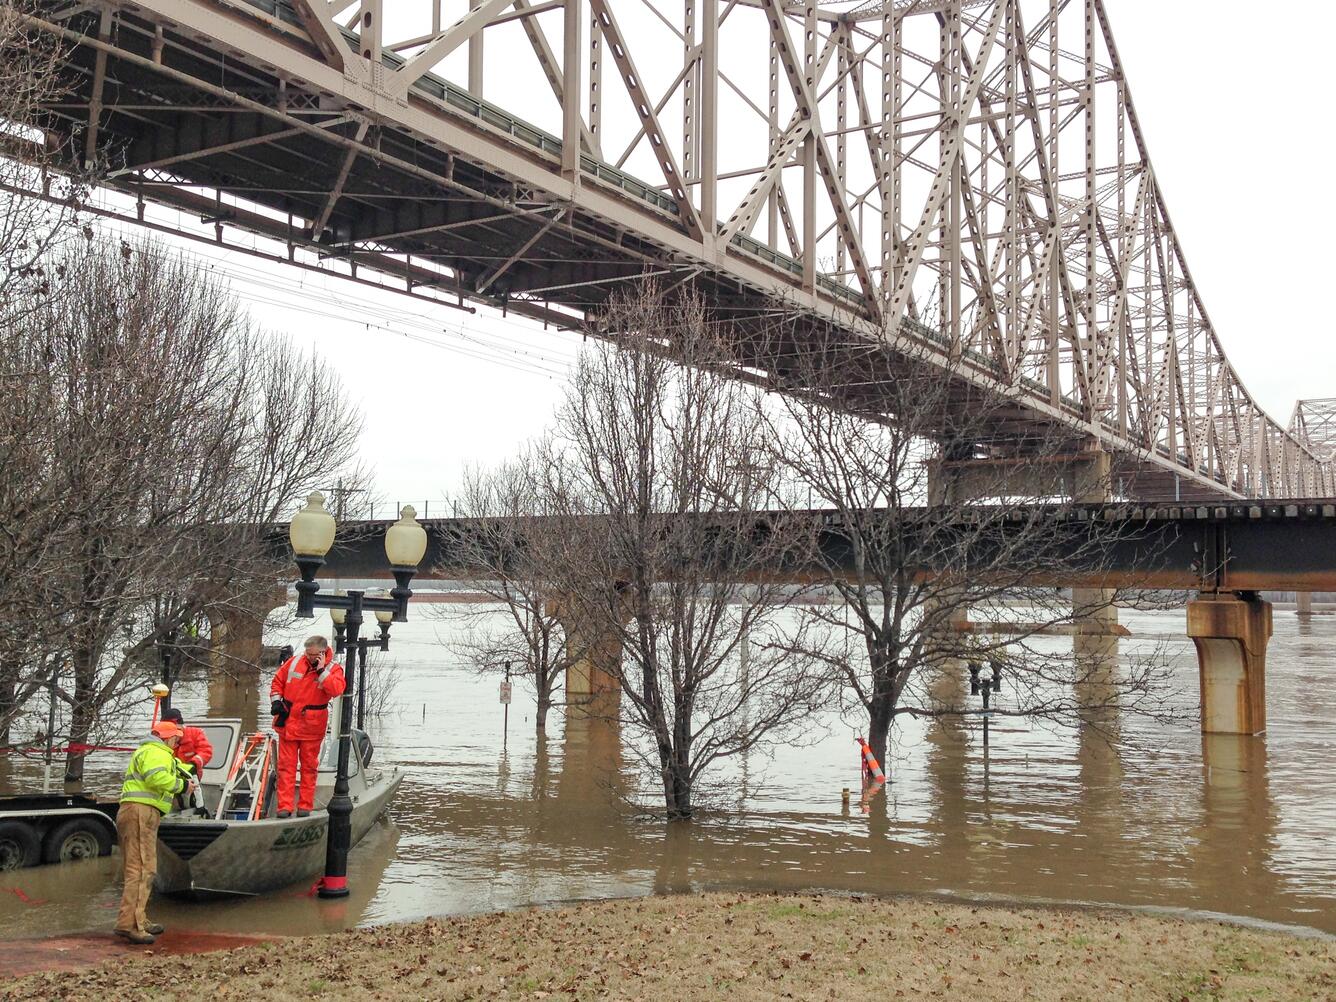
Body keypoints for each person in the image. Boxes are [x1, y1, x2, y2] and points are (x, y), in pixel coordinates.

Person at [116, 720, 195, 945]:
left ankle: (131, 919)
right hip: (142, 813)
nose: (177, 744)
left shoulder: (147, 751)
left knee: (135, 868)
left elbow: (173, 769)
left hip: (132, 811)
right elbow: (157, 778)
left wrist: (192, 767)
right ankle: (134, 926)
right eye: (176, 740)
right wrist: (182, 786)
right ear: (168, 738)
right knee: (144, 868)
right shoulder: (157, 752)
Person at [269, 635, 345, 819]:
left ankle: (305, 806)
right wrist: (276, 702)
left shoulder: (333, 669)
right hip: (288, 723)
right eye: (308, 654)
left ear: (322, 653)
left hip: (312, 727)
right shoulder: (294, 662)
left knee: (309, 768)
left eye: (313, 655)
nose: (309, 658)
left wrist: (321, 672)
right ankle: (284, 807)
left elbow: (337, 690)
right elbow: (277, 683)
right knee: (285, 767)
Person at [158, 707, 213, 776]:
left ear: (181, 725)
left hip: (192, 774)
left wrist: (194, 764)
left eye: (176, 730)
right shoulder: (161, 738)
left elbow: (206, 751)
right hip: (171, 775)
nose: (174, 736)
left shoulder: (195, 733)